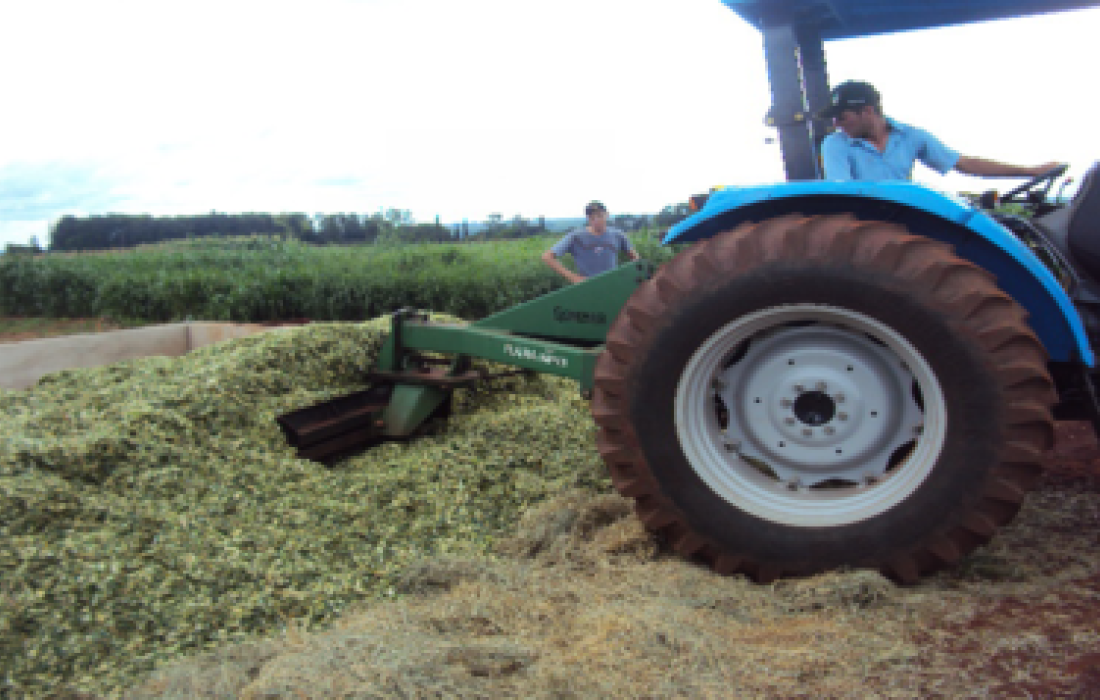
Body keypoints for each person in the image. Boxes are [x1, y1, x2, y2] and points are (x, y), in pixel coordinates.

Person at [818, 80, 1061, 182]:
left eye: (842, 117)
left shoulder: (911, 137)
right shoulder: (835, 144)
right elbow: (845, 193)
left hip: (905, 216)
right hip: (865, 225)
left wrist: (1030, 171)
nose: (837, 124)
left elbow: (964, 164)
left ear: (867, 111)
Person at [541, 201, 640, 284]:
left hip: (612, 285)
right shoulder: (576, 237)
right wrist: (573, 277)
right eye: (592, 217)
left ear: (607, 215)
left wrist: (628, 277)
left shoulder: (618, 235)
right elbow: (547, 257)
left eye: (600, 216)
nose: (596, 220)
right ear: (588, 218)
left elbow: (635, 258)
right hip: (587, 288)